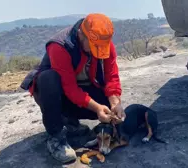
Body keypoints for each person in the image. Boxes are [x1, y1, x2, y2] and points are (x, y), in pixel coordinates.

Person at [20, 13, 125, 163]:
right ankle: (55, 137)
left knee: (108, 103)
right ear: (81, 35)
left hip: (78, 91)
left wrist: (115, 102)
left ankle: (71, 123)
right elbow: (69, 88)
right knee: (48, 78)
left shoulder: (103, 42)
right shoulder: (60, 46)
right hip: (55, 94)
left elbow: (111, 76)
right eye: (94, 46)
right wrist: (96, 108)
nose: (98, 50)